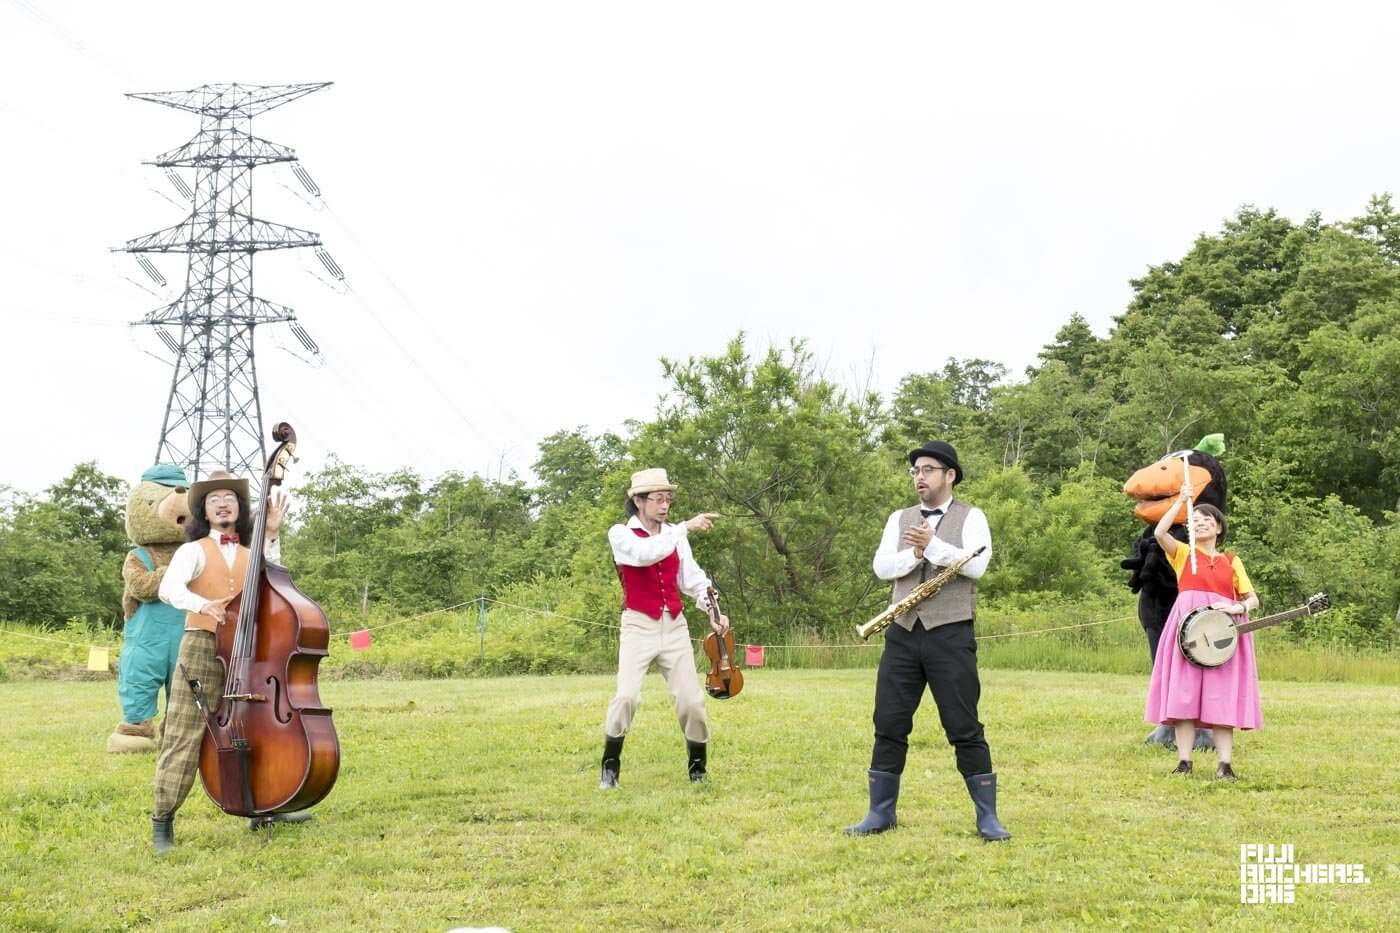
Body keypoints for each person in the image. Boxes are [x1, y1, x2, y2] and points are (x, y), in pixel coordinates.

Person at [846, 441, 1010, 841]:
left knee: (964, 724)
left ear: (949, 475)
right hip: (902, 633)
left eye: (928, 469)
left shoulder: (972, 516)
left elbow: (977, 565)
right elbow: (883, 566)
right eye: (916, 470)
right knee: (888, 721)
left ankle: (987, 817)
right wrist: (915, 556)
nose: (919, 477)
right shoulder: (898, 517)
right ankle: (880, 812)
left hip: (950, 634)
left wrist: (932, 545)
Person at [149, 470, 300, 853]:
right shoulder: (194, 550)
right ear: (204, 509)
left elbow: (274, 583)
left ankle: (264, 806)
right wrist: (204, 605)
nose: (222, 502)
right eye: (214, 498)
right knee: (184, 732)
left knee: (253, 728)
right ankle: (163, 819)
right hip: (201, 643)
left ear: (239, 508)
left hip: (245, 650)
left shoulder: (252, 552)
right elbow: (169, 589)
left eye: (229, 497)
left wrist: (271, 535)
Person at [599, 467, 728, 789]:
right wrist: (684, 527)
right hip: (638, 624)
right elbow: (645, 555)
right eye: (658, 499)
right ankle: (610, 766)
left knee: (692, 701)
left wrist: (713, 609)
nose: (665, 505)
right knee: (626, 697)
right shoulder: (621, 534)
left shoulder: (674, 535)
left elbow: (692, 579)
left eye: (668, 499)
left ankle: (698, 768)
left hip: (674, 625)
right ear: (639, 502)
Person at [1144, 492, 1261, 779]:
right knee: (1184, 697)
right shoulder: (1184, 554)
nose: (1199, 523)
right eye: (1194, 521)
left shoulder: (1232, 561)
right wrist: (1181, 503)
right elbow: (1160, 531)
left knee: (1220, 698)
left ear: (1219, 527)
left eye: (1206, 519)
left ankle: (1225, 764)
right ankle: (1184, 761)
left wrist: (1237, 606)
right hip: (1188, 633)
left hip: (1221, 633)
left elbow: (1253, 599)